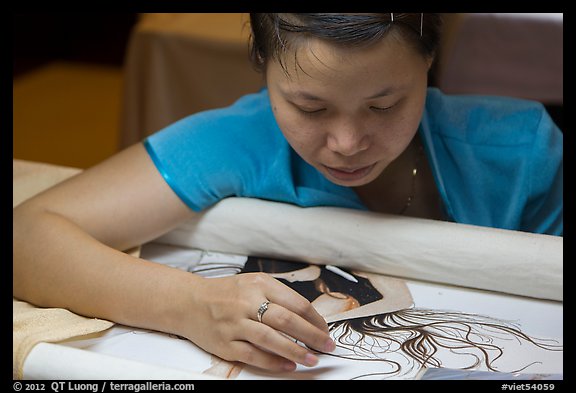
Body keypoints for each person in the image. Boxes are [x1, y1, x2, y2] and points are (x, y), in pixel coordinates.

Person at [13, 13, 563, 373]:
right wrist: (190, 304)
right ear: (263, 68)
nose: (347, 144)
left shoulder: (517, 151)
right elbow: (27, 235)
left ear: (429, 60)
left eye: (383, 105)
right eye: (310, 108)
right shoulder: (241, 139)